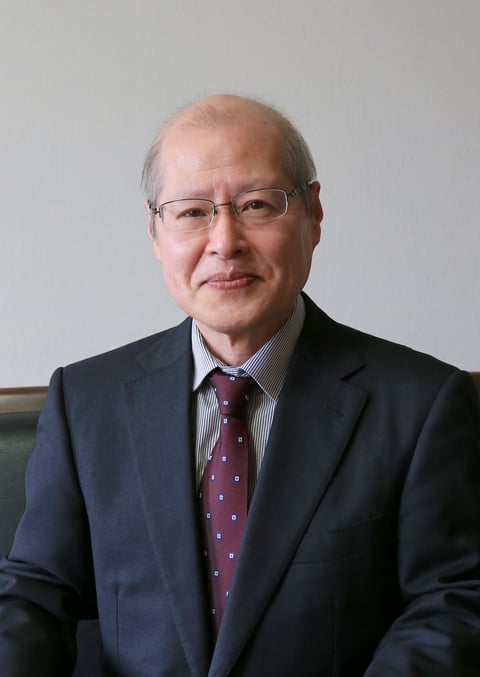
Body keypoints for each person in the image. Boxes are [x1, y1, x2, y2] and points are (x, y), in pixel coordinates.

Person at [1, 94, 480, 677]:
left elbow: (452, 603)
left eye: (256, 204)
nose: (225, 242)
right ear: (155, 232)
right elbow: (37, 592)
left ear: (313, 214)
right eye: (191, 212)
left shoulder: (422, 404)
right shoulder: (86, 402)